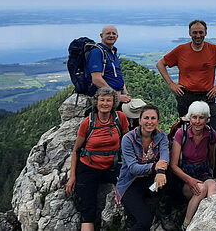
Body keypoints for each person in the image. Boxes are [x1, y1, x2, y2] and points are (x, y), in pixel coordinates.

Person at [156, 19, 216, 177]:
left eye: (201, 32)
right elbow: (160, 64)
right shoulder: (181, 50)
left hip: (207, 97)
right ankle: (183, 174)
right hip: (186, 97)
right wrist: (171, 84)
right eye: (195, 32)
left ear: (206, 33)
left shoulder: (213, 49)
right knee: (185, 135)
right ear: (190, 33)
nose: (198, 35)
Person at [66, 86, 129, 231]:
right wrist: (72, 176)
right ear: (97, 102)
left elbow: (128, 141)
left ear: (114, 103)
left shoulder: (121, 118)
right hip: (88, 168)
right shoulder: (87, 123)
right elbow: (76, 150)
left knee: (132, 186)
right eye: (102, 100)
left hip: (111, 167)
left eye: (109, 100)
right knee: (88, 209)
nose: (105, 103)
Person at [115, 104, 169, 231]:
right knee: (145, 221)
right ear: (139, 121)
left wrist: (160, 171)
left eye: (153, 118)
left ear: (158, 121)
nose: (149, 122)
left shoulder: (161, 136)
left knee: (171, 175)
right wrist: (156, 166)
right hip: (131, 184)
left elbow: (165, 157)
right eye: (146, 118)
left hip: (149, 183)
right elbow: (133, 168)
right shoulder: (128, 139)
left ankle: (164, 210)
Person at [170, 101, 216, 229]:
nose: (197, 121)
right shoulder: (182, 134)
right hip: (184, 177)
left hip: (202, 173)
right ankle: (186, 225)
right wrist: (190, 180)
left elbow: (211, 158)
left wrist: (210, 174)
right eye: (194, 117)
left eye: (201, 118)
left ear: (206, 119)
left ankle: (210, 221)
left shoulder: (211, 134)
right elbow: (173, 166)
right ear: (190, 118)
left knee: (212, 186)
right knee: (201, 189)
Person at [87, 25, 132, 104]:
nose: (111, 36)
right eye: (108, 33)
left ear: (117, 36)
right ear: (101, 36)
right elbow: (96, 79)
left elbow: (118, 76)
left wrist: (126, 94)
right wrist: (115, 96)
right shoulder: (97, 52)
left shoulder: (112, 53)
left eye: (114, 34)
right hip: (104, 96)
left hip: (117, 94)